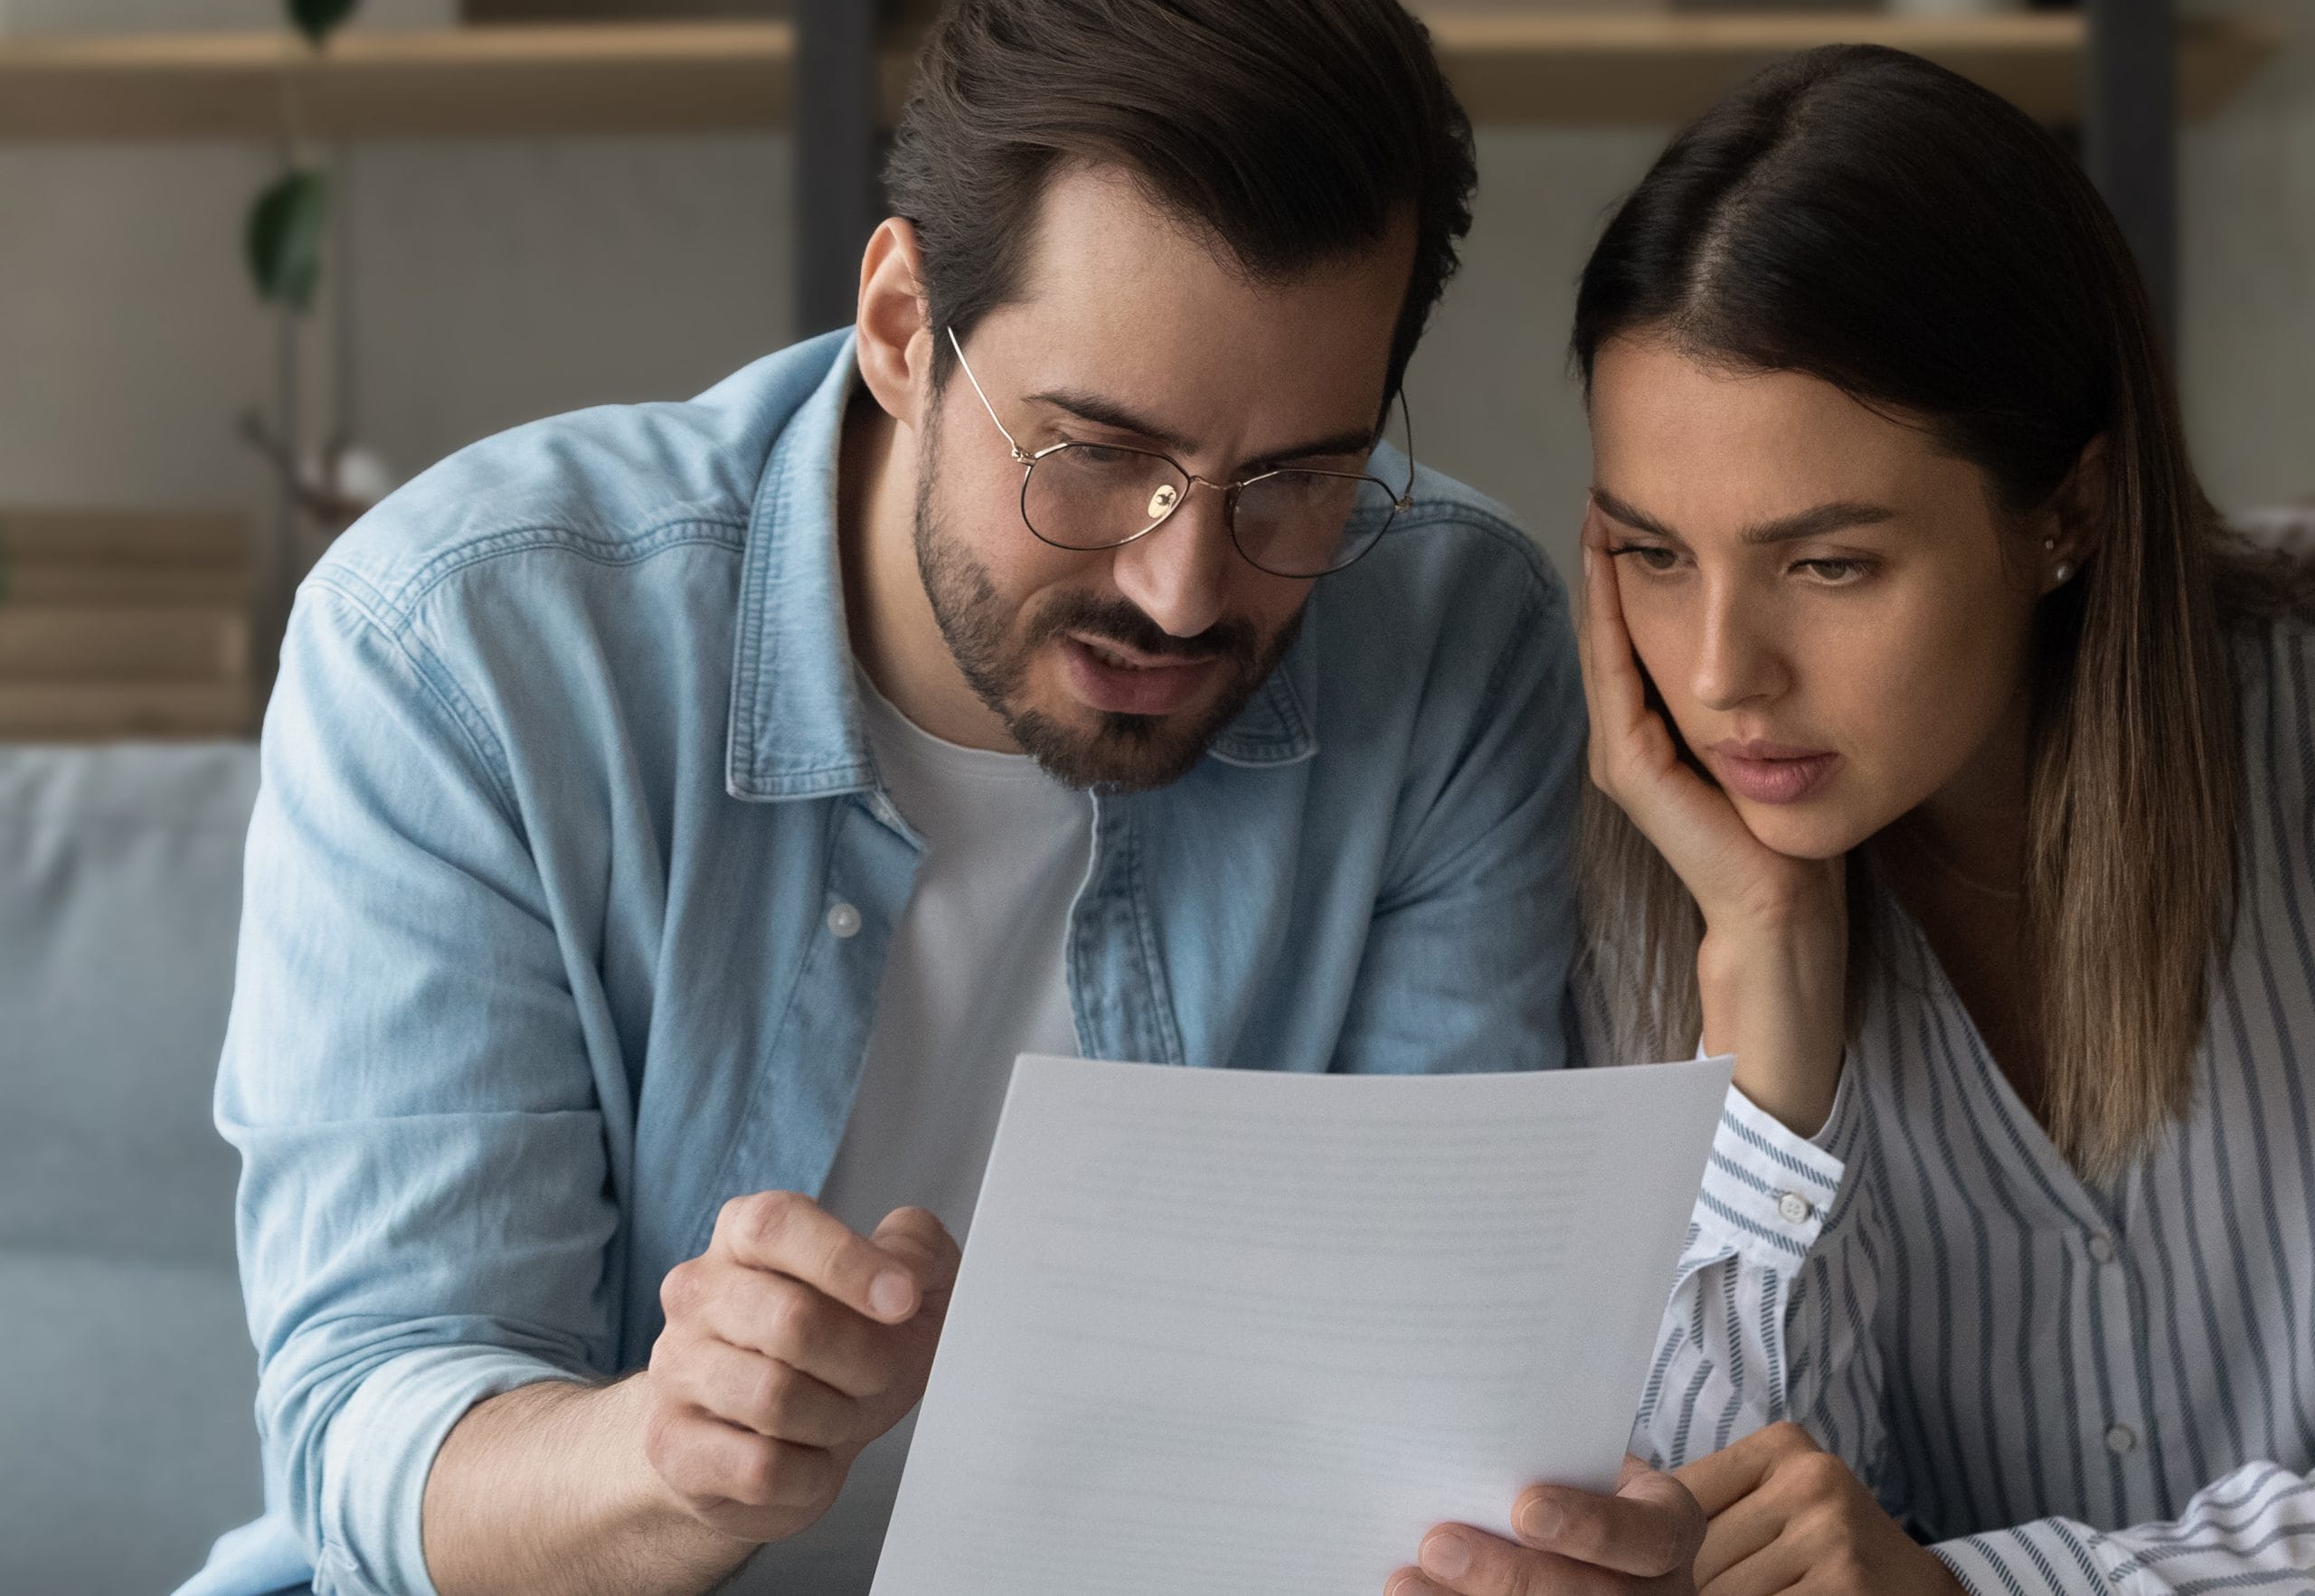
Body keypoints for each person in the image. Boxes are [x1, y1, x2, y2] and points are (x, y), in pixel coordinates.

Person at [177, 4, 1720, 1594]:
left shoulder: (1451, 640)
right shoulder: (464, 650)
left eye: (1297, 481)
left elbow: (1423, 1390)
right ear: (905, 326)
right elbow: (372, 1423)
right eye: (1097, 453)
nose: (1184, 589)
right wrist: (670, 1453)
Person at [1407, 42, 2315, 1596]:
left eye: (1828, 565)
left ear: (2068, 514)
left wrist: (1986, 1588)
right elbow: (1698, 1544)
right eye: (1653, 553)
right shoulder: (1617, 871)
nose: (1717, 676)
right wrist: (1763, 990)